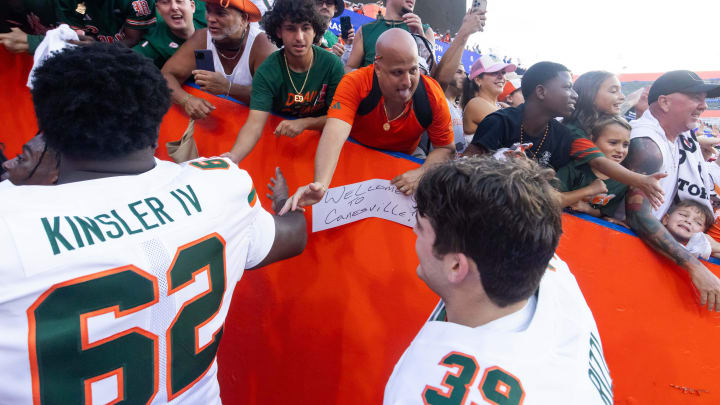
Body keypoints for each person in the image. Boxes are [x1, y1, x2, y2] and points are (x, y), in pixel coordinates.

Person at [0, 42, 306, 404]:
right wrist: (292, 206)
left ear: (47, 129)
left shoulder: (12, 222)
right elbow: (293, 236)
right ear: (157, 113)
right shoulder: (220, 186)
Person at [383, 156, 613, 405]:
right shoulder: (546, 266)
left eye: (420, 227)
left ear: (457, 266)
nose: (414, 232)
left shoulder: (415, 391)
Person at [279, 28, 455, 214]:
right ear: (377, 68)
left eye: (413, 71)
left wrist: (421, 173)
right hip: (355, 155)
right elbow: (334, 132)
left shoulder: (432, 95)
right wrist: (321, 184)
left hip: (401, 168)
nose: (407, 82)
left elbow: (446, 148)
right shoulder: (355, 83)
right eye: (397, 72)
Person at [624, 70, 720, 312]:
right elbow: (638, 215)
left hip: (646, 256)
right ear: (665, 102)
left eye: (705, 98)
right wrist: (695, 266)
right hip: (623, 254)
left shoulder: (679, 136)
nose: (703, 105)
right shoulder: (648, 145)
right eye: (695, 97)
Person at [223, 0, 345, 163]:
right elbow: (254, 125)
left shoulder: (332, 65)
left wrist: (305, 123)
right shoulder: (268, 70)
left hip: (319, 150)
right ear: (279, 31)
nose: (299, 37)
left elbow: (338, 119)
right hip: (277, 147)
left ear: (315, 30)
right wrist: (233, 158)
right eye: (291, 29)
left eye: (306, 28)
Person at [161, 0, 277, 119]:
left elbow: (274, 98)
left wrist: (228, 88)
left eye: (221, 13)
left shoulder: (263, 45)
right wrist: (186, 100)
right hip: (214, 127)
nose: (210, 19)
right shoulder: (201, 38)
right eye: (208, 11)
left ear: (243, 18)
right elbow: (166, 75)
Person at [430, 8, 486, 153]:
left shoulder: (464, 110)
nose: (464, 76)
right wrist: (465, 31)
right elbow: (440, 78)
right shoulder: (439, 99)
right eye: (459, 72)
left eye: (465, 73)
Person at [557, 115, 631, 219]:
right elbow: (551, 200)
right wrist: (589, 190)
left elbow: (604, 214)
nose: (620, 150)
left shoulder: (621, 182)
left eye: (625, 145)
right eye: (613, 143)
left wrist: (587, 209)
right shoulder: (575, 167)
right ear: (592, 140)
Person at [344, 0, 435, 72]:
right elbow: (349, 68)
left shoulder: (425, 31)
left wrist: (422, 40)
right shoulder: (365, 30)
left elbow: (435, 75)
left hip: (408, 95)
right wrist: (369, 79)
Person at [133, 0, 207, 68]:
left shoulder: (208, 17)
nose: (174, 7)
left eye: (179, 1)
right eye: (165, 2)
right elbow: (127, 62)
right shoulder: (154, 46)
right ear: (158, 10)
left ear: (192, 6)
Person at [461, 54, 516, 138]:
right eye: (494, 72)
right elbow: (515, 128)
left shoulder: (502, 105)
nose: (501, 76)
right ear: (478, 80)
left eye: (503, 72)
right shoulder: (476, 103)